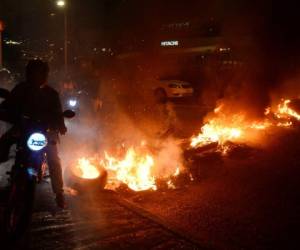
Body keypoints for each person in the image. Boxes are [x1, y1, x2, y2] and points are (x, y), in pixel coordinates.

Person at [0, 59, 67, 208]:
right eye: (34, 72)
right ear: (29, 73)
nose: (37, 76)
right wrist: (4, 111)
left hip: (45, 131)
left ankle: (59, 192)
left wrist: (61, 125)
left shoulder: (52, 94)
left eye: (40, 72)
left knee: (54, 158)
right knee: (4, 141)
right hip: (25, 128)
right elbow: (8, 105)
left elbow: (58, 113)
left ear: (45, 74)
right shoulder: (21, 89)